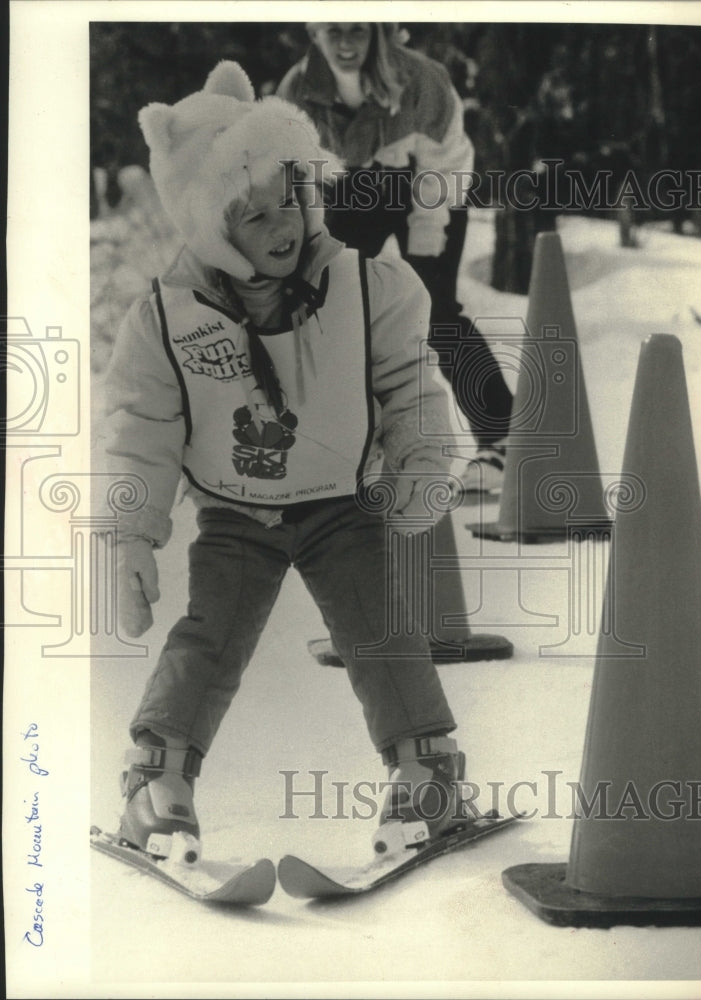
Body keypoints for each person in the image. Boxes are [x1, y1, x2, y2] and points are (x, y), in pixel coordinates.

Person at [99, 60, 474, 861]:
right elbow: (142, 428)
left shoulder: (362, 284)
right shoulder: (168, 322)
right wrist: (131, 531)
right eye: (251, 215)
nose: (282, 226)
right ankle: (157, 776)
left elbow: (407, 380)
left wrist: (417, 456)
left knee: (380, 628)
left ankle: (427, 769)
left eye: (290, 198)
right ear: (206, 228)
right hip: (236, 513)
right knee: (211, 636)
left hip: (341, 505)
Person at [276, 22, 514, 493]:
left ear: (379, 33)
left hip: (430, 180)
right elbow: (297, 184)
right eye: (333, 31)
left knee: (437, 312)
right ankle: (338, 446)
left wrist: (426, 238)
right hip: (347, 186)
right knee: (328, 308)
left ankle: (503, 438)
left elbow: (444, 163)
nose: (346, 44)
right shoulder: (296, 91)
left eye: (358, 32)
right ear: (314, 31)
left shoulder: (421, 80)